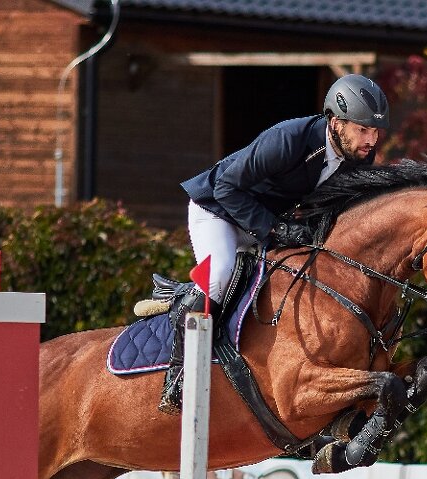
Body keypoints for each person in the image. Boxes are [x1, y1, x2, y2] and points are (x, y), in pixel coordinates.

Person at [159, 73, 391, 413]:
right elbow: (226, 187)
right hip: (219, 211)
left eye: (375, 132)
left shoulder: (357, 156)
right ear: (336, 123)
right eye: (363, 130)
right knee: (220, 273)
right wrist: (274, 230)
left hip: (267, 223)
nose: (371, 140)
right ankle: (177, 375)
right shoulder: (288, 139)